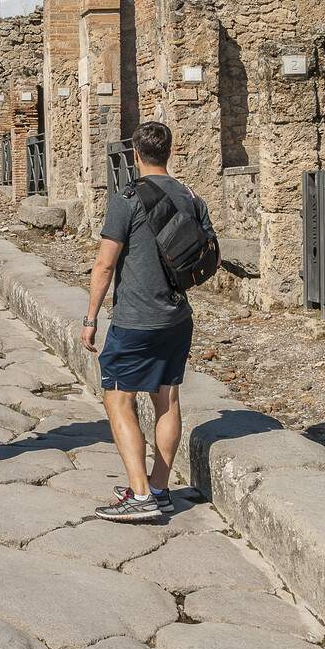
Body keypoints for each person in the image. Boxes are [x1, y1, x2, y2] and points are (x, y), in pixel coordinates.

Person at [80, 121, 209, 521]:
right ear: (169, 152)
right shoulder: (191, 196)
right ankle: (159, 486)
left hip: (136, 318)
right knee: (167, 398)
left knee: (119, 398)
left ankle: (139, 496)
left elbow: (104, 264)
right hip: (176, 315)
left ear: (135, 155)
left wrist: (90, 319)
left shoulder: (127, 197)